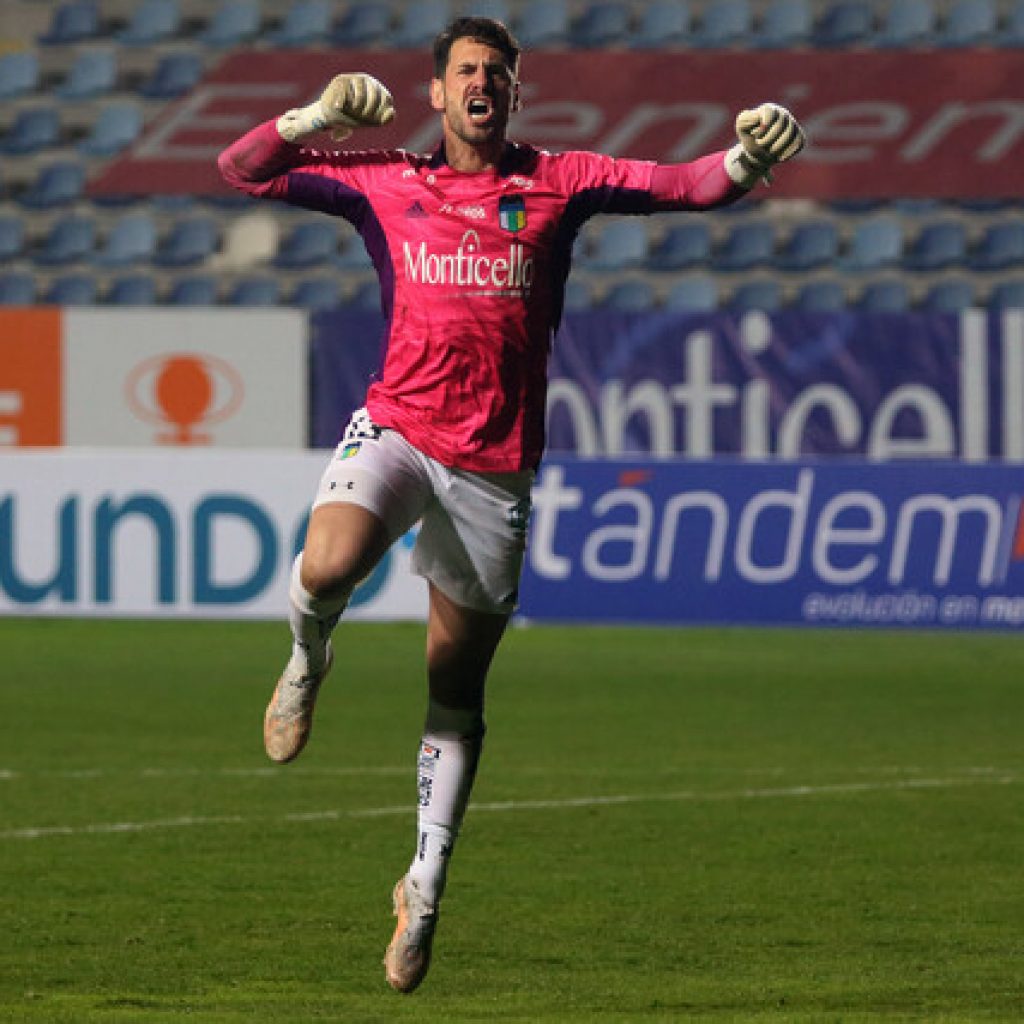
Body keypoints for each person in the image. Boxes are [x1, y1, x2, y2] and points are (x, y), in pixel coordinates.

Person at [218, 16, 804, 994]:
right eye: (464, 70)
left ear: (513, 93)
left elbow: (686, 186)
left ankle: (424, 887)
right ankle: (305, 659)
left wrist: (749, 153)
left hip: (495, 468)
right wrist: (312, 114)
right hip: (399, 429)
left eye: (497, 70)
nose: (481, 81)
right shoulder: (385, 180)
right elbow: (240, 171)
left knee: (454, 685)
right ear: (438, 94)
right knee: (324, 566)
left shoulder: (558, 181)